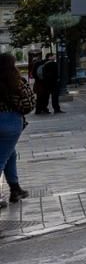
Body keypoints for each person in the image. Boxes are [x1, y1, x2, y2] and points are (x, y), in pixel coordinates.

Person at [0, 53, 30, 206]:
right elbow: (29, 103)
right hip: (11, 122)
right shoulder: (18, 81)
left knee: (10, 154)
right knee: (1, 158)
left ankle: (15, 189)